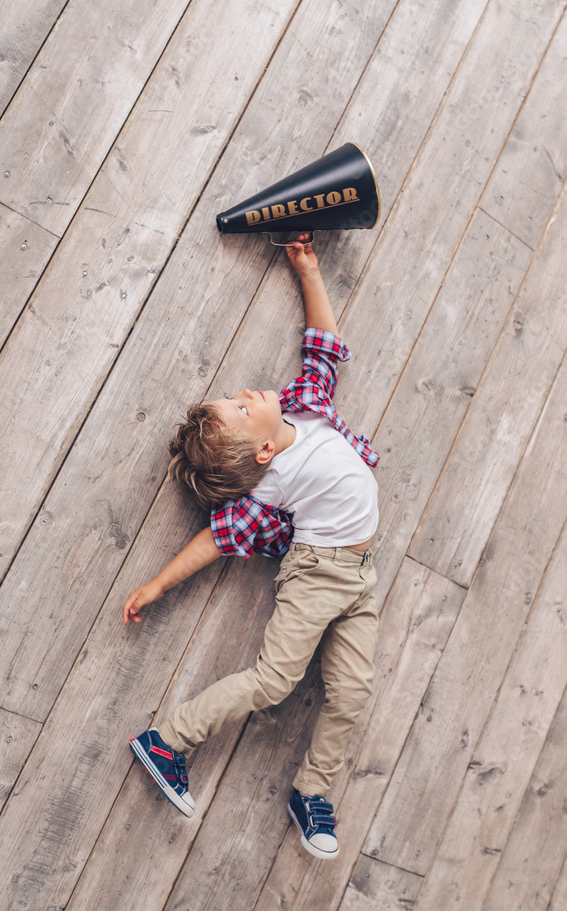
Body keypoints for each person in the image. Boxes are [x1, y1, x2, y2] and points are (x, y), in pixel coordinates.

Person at [123, 234, 380, 859]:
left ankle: (312, 792)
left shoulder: (306, 406)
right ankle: (169, 741)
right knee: (274, 682)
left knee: (353, 690)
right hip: (319, 574)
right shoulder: (267, 491)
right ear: (261, 452)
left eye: (237, 397)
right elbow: (215, 538)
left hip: (360, 575)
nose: (247, 393)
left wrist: (308, 271)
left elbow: (322, 345)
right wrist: (157, 583)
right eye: (241, 407)